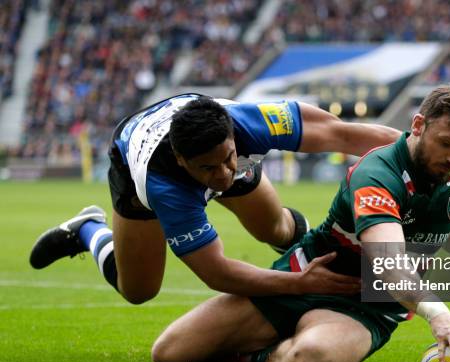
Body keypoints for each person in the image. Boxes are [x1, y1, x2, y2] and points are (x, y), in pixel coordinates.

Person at [150, 85, 450, 362]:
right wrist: (440, 314)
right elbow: (388, 265)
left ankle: (272, 349)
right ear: (418, 126)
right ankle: (287, 328)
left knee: (311, 356)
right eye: (446, 144)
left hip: (372, 306)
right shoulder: (376, 174)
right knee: (170, 352)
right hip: (311, 271)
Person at [29, 94, 402, 303]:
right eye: (209, 169)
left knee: (279, 230)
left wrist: (423, 153)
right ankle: (89, 230)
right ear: (182, 161)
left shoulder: (248, 124)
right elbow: (217, 272)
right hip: (133, 163)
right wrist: (301, 283)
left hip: (199, 133)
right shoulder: (166, 187)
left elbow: (344, 134)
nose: (223, 176)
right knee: (139, 290)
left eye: (229, 159)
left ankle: (314, 259)